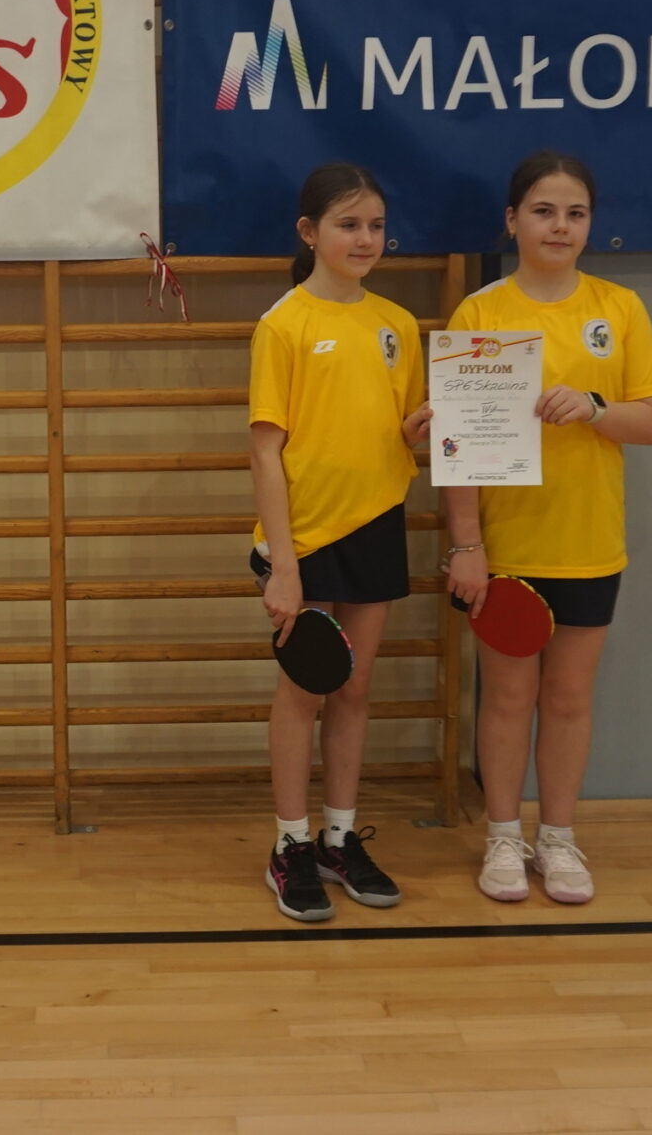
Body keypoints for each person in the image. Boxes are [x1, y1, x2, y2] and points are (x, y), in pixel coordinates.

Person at [438, 150, 652, 904]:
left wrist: (595, 408)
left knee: (568, 698)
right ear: (512, 221)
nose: (560, 226)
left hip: (590, 542)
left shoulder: (619, 307)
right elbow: (459, 447)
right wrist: (467, 545)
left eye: (575, 213)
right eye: (543, 211)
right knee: (507, 699)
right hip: (509, 546)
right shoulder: (480, 314)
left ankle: (558, 838)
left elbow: (650, 422)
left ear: (590, 224)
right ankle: (503, 835)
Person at [248, 162, 428, 922]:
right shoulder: (283, 325)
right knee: (304, 691)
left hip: (376, 523)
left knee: (353, 688)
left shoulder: (398, 325)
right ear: (309, 232)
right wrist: (285, 565)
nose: (365, 239)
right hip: (304, 537)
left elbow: (402, 435)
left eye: (376, 226)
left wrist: (426, 430)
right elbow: (266, 452)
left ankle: (338, 837)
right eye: (348, 224)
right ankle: (289, 845)